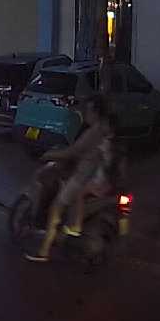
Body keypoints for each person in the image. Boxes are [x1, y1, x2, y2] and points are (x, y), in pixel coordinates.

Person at [26, 94, 114, 262]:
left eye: (88, 110)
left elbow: (72, 152)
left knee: (55, 207)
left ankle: (44, 251)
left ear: (95, 112)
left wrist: (49, 154)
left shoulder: (94, 132)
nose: (86, 113)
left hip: (86, 178)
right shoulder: (106, 128)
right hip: (99, 177)